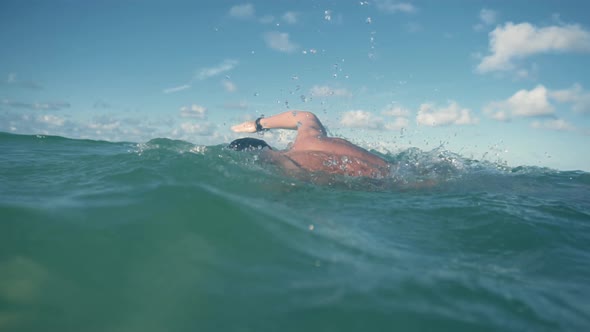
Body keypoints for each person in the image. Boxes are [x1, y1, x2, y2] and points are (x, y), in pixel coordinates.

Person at [230, 111, 390, 179]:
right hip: (401, 169)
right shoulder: (307, 138)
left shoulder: (287, 163)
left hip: (394, 187)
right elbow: (306, 116)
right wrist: (258, 123)